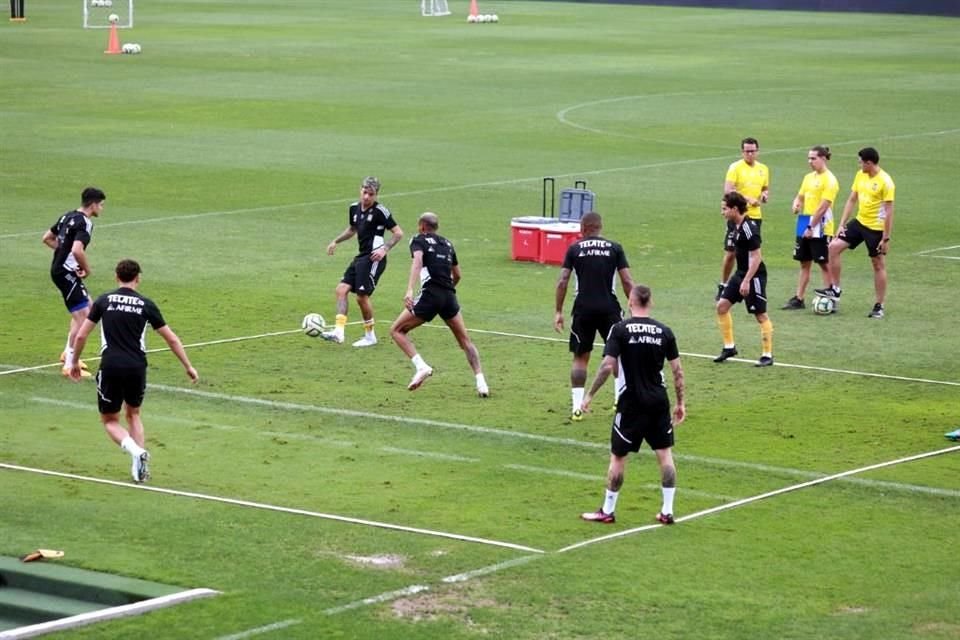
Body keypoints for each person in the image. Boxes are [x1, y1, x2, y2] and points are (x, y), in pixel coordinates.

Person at [69, 259, 199, 483]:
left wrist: (74, 361)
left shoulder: (103, 301)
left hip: (110, 366)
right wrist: (188, 366)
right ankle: (140, 465)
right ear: (138, 278)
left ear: (116, 277)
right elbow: (171, 339)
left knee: (110, 419)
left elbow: (81, 335)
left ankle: (135, 452)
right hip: (137, 367)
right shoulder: (146, 304)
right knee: (134, 414)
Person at [580, 285, 685, 525]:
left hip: (631, 403)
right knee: (665, 455)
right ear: (651, 303)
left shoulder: (620, 329)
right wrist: (680, 403)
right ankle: (667, 511)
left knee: (618, 457)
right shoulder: (664, 331)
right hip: (659, 401)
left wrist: (589, 395)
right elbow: (677, 371)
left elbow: (608, 365)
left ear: (630, 302)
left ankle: (608, 510)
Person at [390, 212, 489, 397]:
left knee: (396, 330)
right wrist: (447, 291)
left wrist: (410, 289)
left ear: (421, 226)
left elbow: (417, 262)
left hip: (430, 294)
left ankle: (421, 367)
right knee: (465, 341)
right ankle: (481, 382)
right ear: (436, 227)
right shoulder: (448, 244)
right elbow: (458, 275)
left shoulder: (417, 240)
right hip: (449, 296)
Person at [554, 212, 633, 422]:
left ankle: (576, 408)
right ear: (600, 227)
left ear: (583, 228)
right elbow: (627, 280)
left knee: (580, 358)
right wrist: (633, 306)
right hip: (610, 308)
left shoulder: (574, 249)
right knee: (618, 354)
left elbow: (562, 281)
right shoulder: (615, 248)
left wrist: (559, 311)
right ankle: (619, 401)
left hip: (583, 310)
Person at [322, 177, 404, 346]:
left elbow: (398, 233)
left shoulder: (381, 211)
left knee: (361, 297)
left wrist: (384, 249)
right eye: (364, 192)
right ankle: (339, 332)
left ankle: (370, 336)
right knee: (341, 289)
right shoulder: (354, 208)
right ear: (360, 190)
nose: (366, 197)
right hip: (362, 257)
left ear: (376, 195)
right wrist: (335, 241)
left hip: (374, 258)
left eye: (371, 194)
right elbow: (352, 229)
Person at [815, 147, 895, 319]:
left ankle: (879, 305)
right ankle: (834, 289)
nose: (858, 164)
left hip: (876, 228)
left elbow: (889, 212)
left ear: (869, 163)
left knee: (877, 264)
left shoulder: (885, 182)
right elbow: (852, 199)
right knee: (833, 247)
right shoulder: (860, 175)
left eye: (860, 162)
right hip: (860, 222)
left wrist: (886, 238)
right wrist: (842, 224)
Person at [42, 187, 106, 378]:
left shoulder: (67, 216)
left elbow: (47, 238)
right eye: (101, 205)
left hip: (62, 270)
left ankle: (67, 353)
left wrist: (63, 253)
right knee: (85, 317)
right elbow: (78, 250)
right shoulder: (85, 223)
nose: (102, 209)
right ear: (93, 204)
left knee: (89, 307)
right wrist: (86, 268)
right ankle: (70, 365)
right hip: (65, 273)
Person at [714, 192, 774, 367]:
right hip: (741, 273)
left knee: (760, 314)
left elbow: (756, 257)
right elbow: (732, 254)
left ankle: (767, 355)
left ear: (734, 209)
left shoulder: (750, 229)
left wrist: (747, 280)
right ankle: (729, 347)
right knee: (722, 306)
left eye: (724, 209)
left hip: (754, 275)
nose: (722, 212)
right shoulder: (733, 225)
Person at [782, 145, 840, 310]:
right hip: (805, 222)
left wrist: (810, 226)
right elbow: (800, 196)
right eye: (808, 158)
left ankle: (831, 298)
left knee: (823, 262)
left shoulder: (830, 180)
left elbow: (823, 207)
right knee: (803, 262)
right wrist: (796, 203)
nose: (810, 162)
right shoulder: (808, 177)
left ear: (823, 158)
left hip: (820, 224)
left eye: (813, 158)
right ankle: (799, 299)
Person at [719, 137, 770, 299]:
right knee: (731, 253)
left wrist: (764, 195)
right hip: (737, 217)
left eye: (752, 151)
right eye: (747, 151)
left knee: (751, 253)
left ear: (757, 151)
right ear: (742, 152)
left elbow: (765, 188)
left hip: (755, 217)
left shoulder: (763, 169)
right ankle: (724, 284)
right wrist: (748, 199)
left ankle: (747, 284)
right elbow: (728, 190)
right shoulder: (735, 168)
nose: (749, 154)